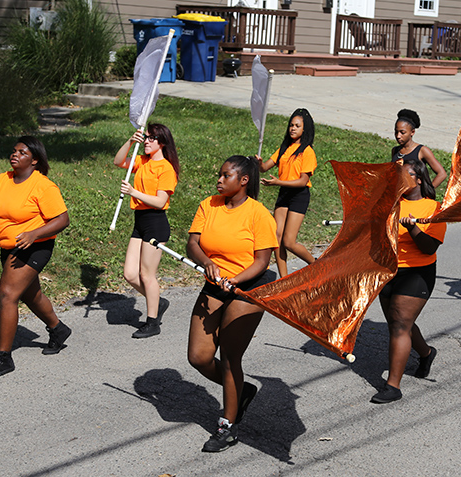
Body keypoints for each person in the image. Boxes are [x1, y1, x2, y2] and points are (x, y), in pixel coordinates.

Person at [0, 136, 71, 379]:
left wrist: (34, 233)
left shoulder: (43, 186)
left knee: (8, 296)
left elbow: (62, 220)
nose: (15, 155)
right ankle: (58, 329)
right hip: (9, 247)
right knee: (31, 294)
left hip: (35, 246)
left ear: (35, 160)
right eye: (14, 151)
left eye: (22, 152)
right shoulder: (3, 180)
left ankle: (3, 357)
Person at [186, 155, 278, 452]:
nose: (219, 180)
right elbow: (193, 243)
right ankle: (240, 389)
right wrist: (207, 263)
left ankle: (227, 426)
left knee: (229, 357)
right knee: (198, 356)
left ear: (243, 181)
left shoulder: (259, 214)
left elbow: (263, 262)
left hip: (248, 289)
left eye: (226, 176)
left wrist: (236, 280)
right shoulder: (208, 205)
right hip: (216, 284)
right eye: (220, 174)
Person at [372, 159, 446, 404]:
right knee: (398, 321)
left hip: (418, 272)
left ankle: (393, 386)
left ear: (419, 180)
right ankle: (426, 353)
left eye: (405, 177)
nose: (399, 183)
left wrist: (414, 229)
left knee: (400, 325)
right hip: (390, 270)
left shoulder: (434, 209)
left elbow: (428, 248)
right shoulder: (392, 205)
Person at [114, 124, 180, 338]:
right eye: (146, 138)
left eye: (151, 138)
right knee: (130, 274)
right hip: (140, 221)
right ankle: (157, 301)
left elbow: (161, 202)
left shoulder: (166, 169)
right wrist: (131, 141)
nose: (147, 142)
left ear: (162, 142)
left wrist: (134, 192)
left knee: (146, 274)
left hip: (156, 223)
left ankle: (152, 323)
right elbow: (118, 161)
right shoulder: (142, 161)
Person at [256, 108, 317, 277]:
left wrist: (277, 182)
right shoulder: (284, 148)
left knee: (289, 241)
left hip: (299, 194)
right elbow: (264, 167)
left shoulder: (307, 152)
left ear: (305, 129)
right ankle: (284, 278)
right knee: (276, 238)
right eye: (291, 125)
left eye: (297, 126)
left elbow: (303, 181)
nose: (293, 128)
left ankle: (316, 264)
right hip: (284, 194)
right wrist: (259, 163)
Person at [390, 109, 448, 189]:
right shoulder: (395, 151)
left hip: (415, 198)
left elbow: (442, 174)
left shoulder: (422, 151)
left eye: (402, 132)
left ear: (412, 132)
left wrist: (427, 192)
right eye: (396, 132)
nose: (398, 136)